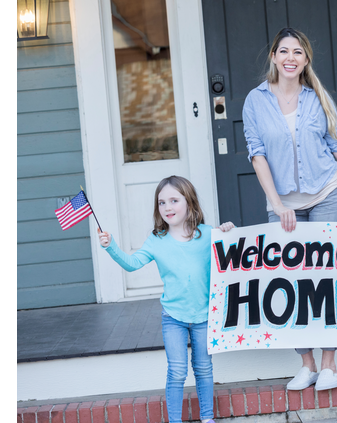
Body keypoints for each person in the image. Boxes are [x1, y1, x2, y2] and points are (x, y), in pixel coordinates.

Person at [242, 26, 337, 392]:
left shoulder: (317, 98)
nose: (290, 58)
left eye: (298, 52)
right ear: (274, 56)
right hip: (284, 204)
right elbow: (257, 155)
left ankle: (329, 364)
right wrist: (276, 205)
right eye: (284, 51)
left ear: (306, 60)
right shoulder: (255, 101)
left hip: (327, 192)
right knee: (289, 283)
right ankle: (305, 363)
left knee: (328, 279)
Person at [97, 175, 235, 423]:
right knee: (177, 371)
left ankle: (207, 418)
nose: (168, 207)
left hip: (204, 316)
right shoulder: (156, 241)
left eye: (174, 200)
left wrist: (227, 233)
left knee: (204, 369)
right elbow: (132, 264)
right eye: (162, 203)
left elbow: (232, 257)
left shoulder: (208, 234)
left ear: (190, 203)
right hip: (174, 318)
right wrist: (111, 246)